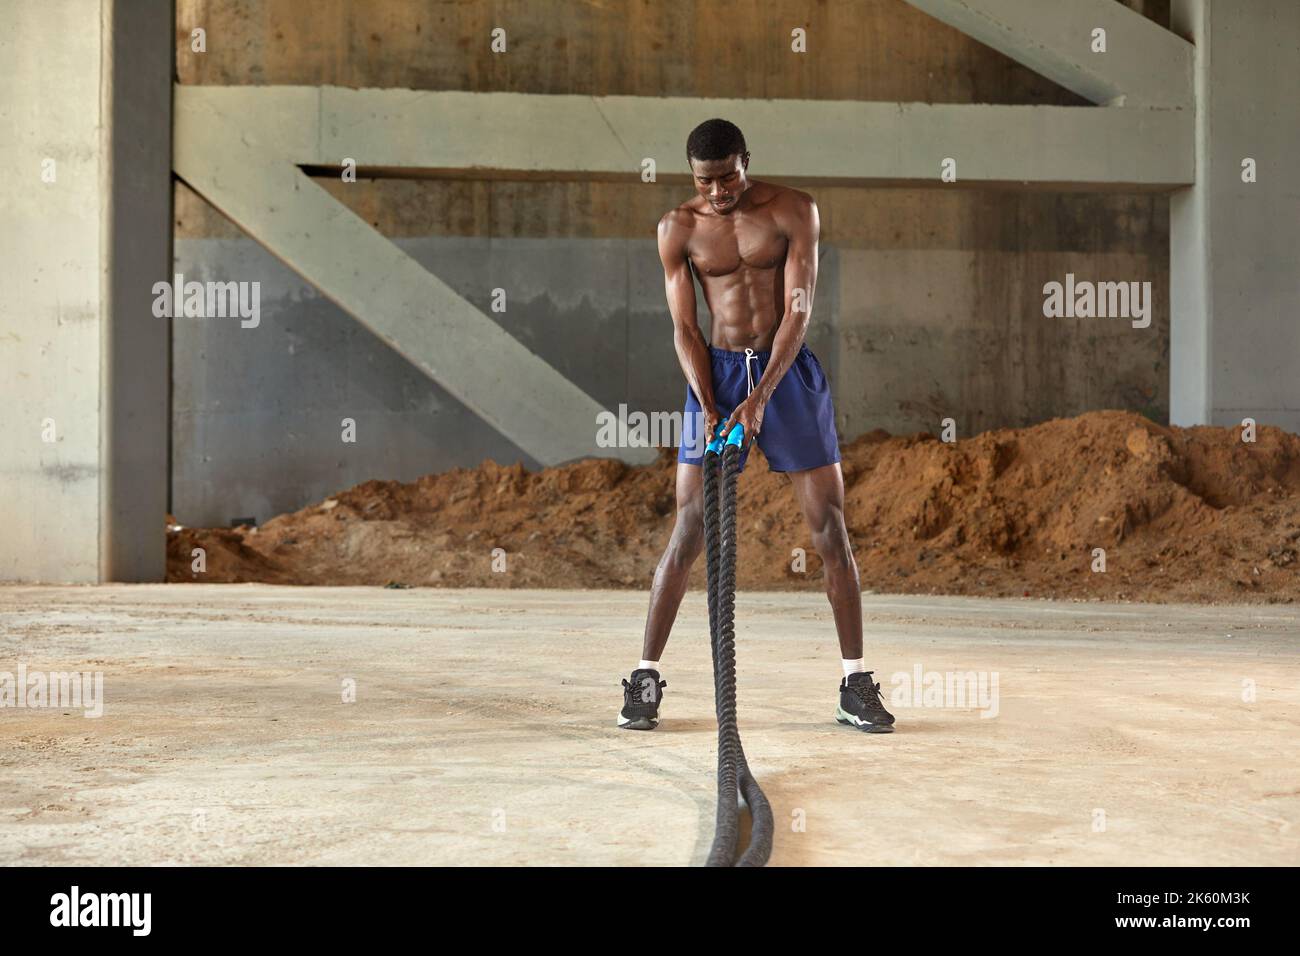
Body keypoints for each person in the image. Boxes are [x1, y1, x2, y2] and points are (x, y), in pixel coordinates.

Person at [618, 118, 895, 734]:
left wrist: (761, 397)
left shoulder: (795, 210)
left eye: (727, 177)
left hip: (787, 373)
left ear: (747, 160)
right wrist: (710, 402)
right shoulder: (678, 228)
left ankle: (854, 681)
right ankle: (644, 676)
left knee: (829, 526)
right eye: (705, 181)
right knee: (689, 526)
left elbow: (798, 310)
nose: (718, 191)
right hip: (711, 376)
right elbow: (685, 328)